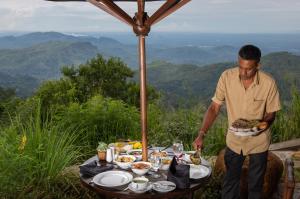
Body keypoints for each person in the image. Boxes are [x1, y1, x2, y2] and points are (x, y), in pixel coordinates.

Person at [192, 44, 281, 199]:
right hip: (234, 141)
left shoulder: (268, 83)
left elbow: (271, 114)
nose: (243, 72)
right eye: (240, 67)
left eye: (249, 69)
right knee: (230, 183)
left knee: (256, 186)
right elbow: (214, 108)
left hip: (258, 142)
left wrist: (258, 127)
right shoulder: (226, 77)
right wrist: (201, 134)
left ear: (258, 65)